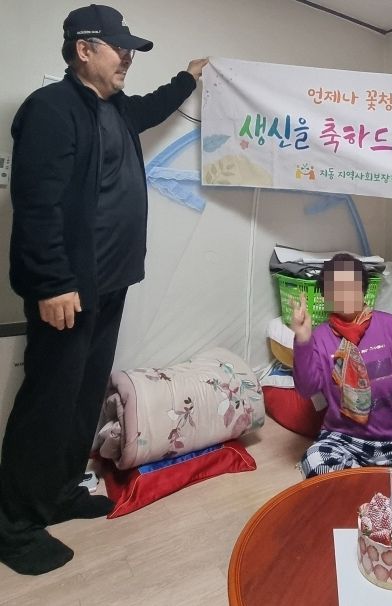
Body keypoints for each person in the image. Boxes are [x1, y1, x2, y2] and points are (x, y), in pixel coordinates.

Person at [0, 4, 208, 575]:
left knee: (83, 397)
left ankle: (59, 492)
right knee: (48, 404)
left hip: (109, 285)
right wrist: (53, 282)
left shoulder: (114, 107)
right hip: (67, 291)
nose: (129, 59)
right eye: (121, 48)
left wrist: (188, 78)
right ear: (84, 49)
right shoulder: (51, 109)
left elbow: (152, 107)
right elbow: (36, 205)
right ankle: (14, 526)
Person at [290, 253, 392, 477]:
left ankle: (368, 480)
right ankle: (369, 482)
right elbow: (307, 388)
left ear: (363, 290)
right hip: (345, 440)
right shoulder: (320, 337)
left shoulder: (389, 325)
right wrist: (303, 340)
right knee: (314, 460)